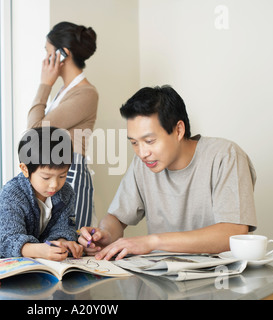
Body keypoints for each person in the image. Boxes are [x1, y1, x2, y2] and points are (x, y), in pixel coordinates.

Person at [78, 85, 257, 260]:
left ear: (178, 130)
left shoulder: (225, 156)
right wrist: (104, 235)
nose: (142, 153)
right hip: (162, 277)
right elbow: (116, 217)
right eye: (134, 143)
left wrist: (153, 242)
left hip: (219, 278)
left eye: (149, 141)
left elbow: (234, 233)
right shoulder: (143, 165)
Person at [0, 126, 83, 261]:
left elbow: (64, 227)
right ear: (25, 169)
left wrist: (62, 242)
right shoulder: (11, 194)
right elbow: (7, 240)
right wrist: (40, 250)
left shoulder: (66, 193)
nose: (55, 184)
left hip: (31, 261)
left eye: (62, 175)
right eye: (46, 177)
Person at [27, 21, 99, 230]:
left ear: (62, 54)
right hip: (58, 173)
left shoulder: (85, 93)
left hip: (70, 174)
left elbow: (34, 133)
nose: (45, 60)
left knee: (74, 241)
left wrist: (44, 84)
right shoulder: (65, 92)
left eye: (47, 52)